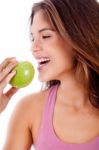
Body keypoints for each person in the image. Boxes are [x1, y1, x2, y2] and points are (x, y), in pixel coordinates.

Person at [3, 0, 99, 149]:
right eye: (32, 38)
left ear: (79, 37)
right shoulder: (28, 109)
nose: (33, 48)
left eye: (46, 36)